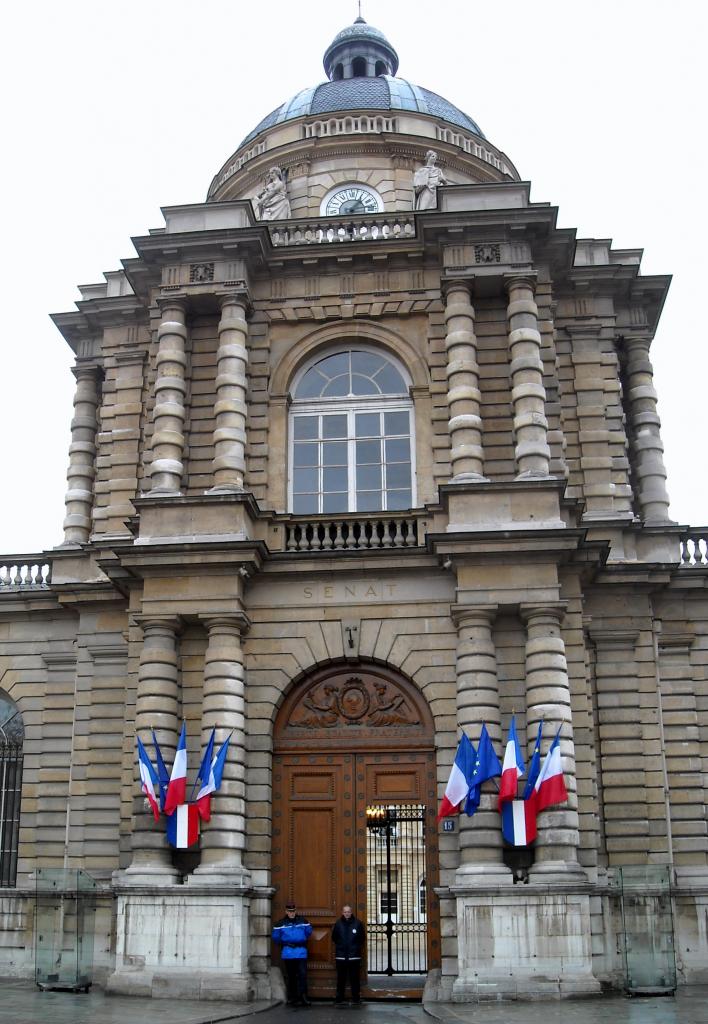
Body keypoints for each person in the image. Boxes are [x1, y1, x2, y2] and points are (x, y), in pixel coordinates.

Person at [272, 901, 313, 1007]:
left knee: (302, 976)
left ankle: (303, 997)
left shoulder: (303, 921)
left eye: (293, 911)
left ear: (296, 910)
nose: (292, 913)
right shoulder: (280, 923)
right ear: (286, 911)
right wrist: (286, 942)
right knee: (291, 976)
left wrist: (299, 940)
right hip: (288, 952)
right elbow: (276, 938)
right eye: (290, 911)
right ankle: (293, 997)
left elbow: (309, 932)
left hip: (301, 952)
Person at [331, 904, 366, 1006]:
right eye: (345, 912)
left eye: (348, 912)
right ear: (342, 913)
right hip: (341, 956)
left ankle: (356, 998)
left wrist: (355, 947)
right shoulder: (338, 924)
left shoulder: (358, 923)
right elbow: (334, 938)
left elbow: (361, 938)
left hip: (354, 956)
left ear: (351, 912)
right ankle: (339, 998)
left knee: (354, 978)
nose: (347, 913)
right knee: (341, 978)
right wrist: (341, 946)